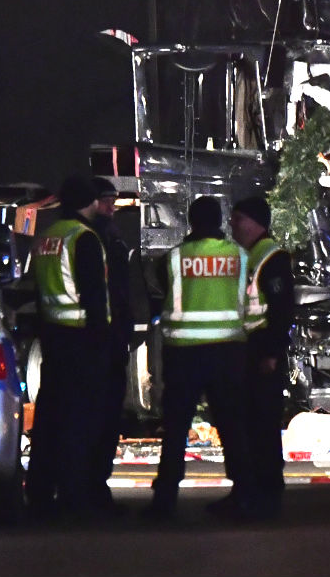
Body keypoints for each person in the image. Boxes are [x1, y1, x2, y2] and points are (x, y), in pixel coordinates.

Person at [143, 195, 254, 519]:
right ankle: (244, 494)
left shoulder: (174, 258)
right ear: (220, 221)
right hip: (229, 352)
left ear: (191, 222)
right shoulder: (239, 257)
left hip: (184, 356)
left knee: (176, 427)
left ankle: (164, 500)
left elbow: (161, 290)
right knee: (232, 425)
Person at [25, 173, 112, 519]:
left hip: (53, 338)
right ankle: (75, 495)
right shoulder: (84, 238)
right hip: (81, 341)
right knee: (79, 421)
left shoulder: (48, 236)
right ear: (89, 202)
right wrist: (100, 341)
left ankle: (41, 491)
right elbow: (93, 295)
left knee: (49, 418)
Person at [218, 194, 294, 520]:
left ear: (254, 222)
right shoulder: (249, 255)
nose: (232, 226)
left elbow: (281, 310)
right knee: (249, 426)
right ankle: (250, 492)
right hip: (248, 353)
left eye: (237, 219)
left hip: (263, 354)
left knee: (262, 426)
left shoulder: (271, 257)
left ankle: (267, 493)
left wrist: (273, 353)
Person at [89, 176, 135, 514]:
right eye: (107, 201)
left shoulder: (100, 236)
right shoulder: (97, 239)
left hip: (101, 340)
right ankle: (93, 487)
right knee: (101, 416)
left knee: (101, 416)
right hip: (101, 342)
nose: (112, 207)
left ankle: (89, 485)